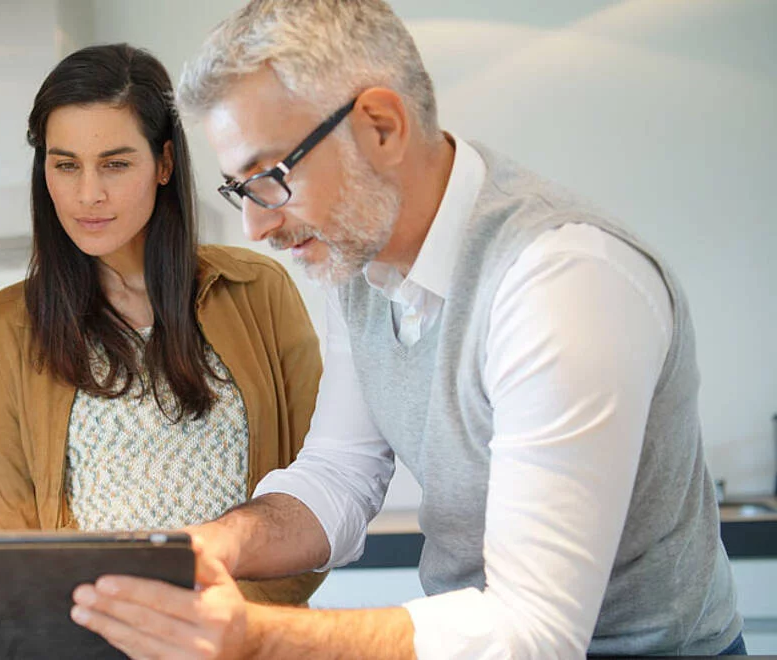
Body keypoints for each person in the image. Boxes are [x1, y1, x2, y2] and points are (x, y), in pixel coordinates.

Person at [69, 1, 744, 658]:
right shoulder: (357, 263)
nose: (257, 227)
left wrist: (257, 639)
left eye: (269, 177)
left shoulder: (560, 279)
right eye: (239, 190)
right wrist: (216, 543)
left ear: (382, 127)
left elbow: (534, 632)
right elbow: (339, 473)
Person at [0, 43, 325, 605]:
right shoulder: (5, 329)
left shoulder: (258, 291)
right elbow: (11, 546)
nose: (89, 194)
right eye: (65, 165)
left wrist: (216, 627)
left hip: (245, 640)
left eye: (115, 163)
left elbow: (319, 496)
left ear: (163, 163)